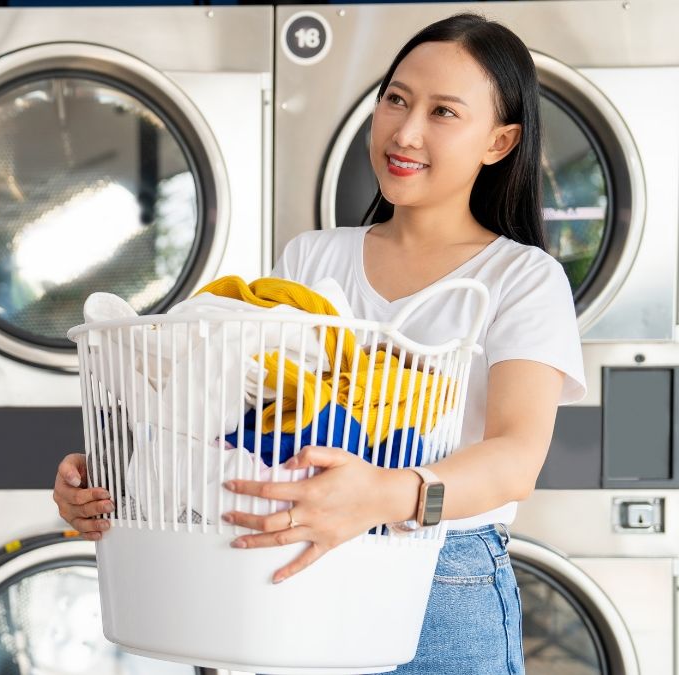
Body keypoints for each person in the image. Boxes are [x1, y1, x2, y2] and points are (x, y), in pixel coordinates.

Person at [53, 13, 587, 675]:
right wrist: (122, 477)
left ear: (499, 141)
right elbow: (242, 414)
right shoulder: (313, 259)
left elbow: (514, 460)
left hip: (440, 580)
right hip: (293, 564)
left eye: (443, 111)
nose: (406, 130)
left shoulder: (520, 277)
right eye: (396, 98)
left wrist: (383, 495)